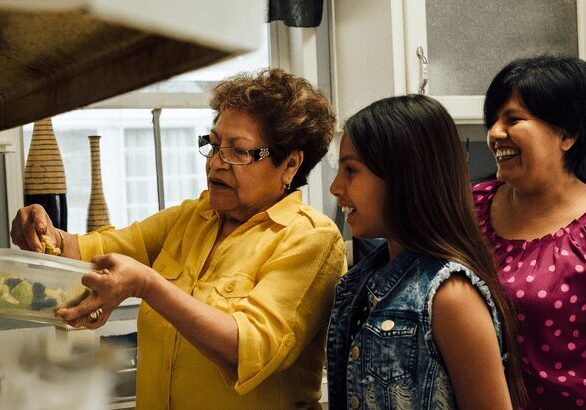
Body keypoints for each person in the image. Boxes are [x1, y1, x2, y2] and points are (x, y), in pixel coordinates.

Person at [10, 68, 347, 409]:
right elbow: (89, 252)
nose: (216, 164)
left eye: (238, 152)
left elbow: (248, 350)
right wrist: (45, 231)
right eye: (214, 146)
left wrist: (148, 285)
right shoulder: (193, 217)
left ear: (290, 164)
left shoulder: (310, 239)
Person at [327, 95, 526, 409]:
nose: (336, 187)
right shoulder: (363, 283)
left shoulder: (450, 295)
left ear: (405, 177)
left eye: (351, 170)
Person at [474, 55, 586, 408]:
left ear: (567, 134)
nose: (495, 133)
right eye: (493, 120)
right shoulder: (468, 207)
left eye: (513, 119)